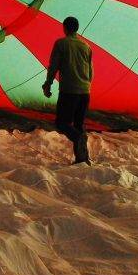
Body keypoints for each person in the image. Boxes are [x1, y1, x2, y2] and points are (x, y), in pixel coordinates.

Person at [42, 16, 93, 164]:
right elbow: (90, 71)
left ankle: (78, 139)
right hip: (85, 91)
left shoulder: (61, 43)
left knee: (62, 123)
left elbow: (54, 66)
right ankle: (82, 159)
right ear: (77, 28)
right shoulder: (86, 46)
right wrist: (86, 86)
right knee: (79, 125)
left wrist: (48, 84)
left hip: (69, 91)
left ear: (64, 27)